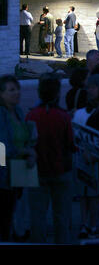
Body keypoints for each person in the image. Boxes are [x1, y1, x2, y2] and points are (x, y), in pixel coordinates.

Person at [27, 74, 76, 244]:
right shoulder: (62, 116)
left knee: (38, 215)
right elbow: (71, 143)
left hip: (38, 171)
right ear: (57, 94)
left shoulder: (32, 115)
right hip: (61, 169)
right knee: (62, 215)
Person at [0, 75, 36, 242]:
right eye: (11, 90)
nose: (17, 93)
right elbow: (2, 146)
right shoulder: (1, 114)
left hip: (20, 172)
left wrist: (30, 150)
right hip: (4, 174)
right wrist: (23, 152)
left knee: (17, 214)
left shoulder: (19, 111)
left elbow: (26, 137)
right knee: (5, 217)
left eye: (17, 89)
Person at [72, 74, 99, 239]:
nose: (89, 90)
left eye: (92, 87)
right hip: (83, 156)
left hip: (95, 158)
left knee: (92, 195)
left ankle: (92, 224)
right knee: (85, 194)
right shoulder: (81, 113)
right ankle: (87, 224)